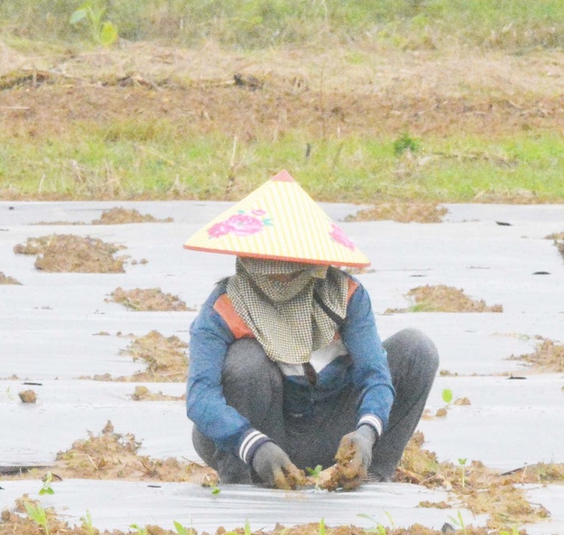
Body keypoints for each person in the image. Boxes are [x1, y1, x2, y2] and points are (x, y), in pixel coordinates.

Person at [183, 172, 438, 490]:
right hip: (251, 438)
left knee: (416, 348)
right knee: (245, 360)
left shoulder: (345, 296)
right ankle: (241, 479)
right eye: (269, 272)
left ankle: (368, 472)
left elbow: (374, 375)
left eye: (290, 273)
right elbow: (200, 398)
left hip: (328, 428)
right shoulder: (224, 307)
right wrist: (254, 445)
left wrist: (366, 433)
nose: (279, 282)